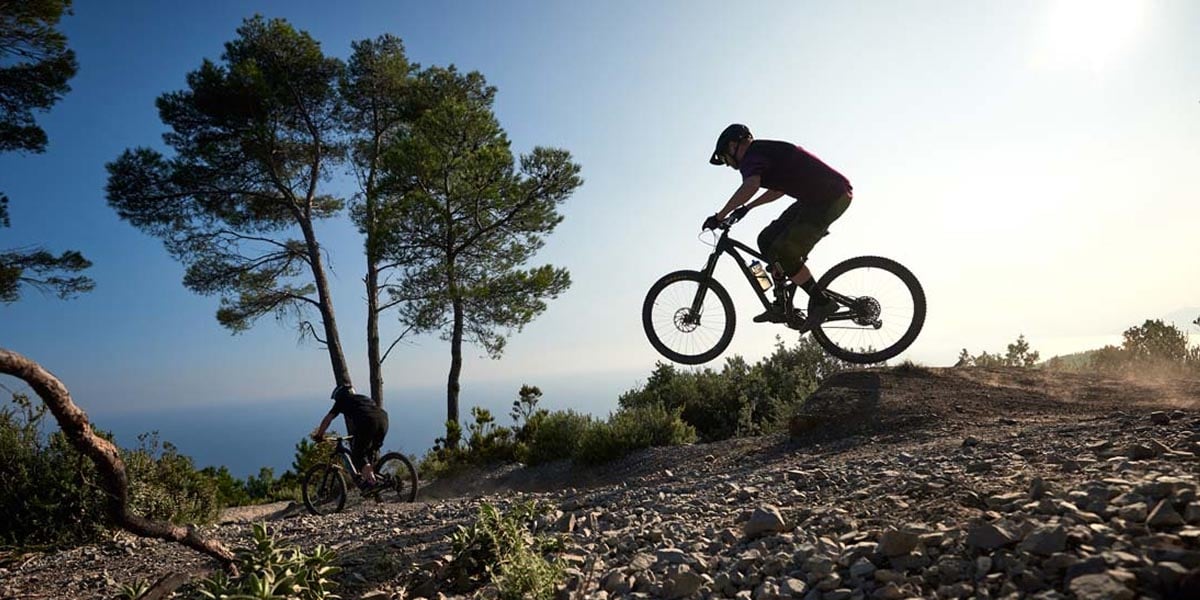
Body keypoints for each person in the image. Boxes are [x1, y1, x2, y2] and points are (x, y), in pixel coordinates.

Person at [704, 123, 852, 331]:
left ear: (732, 146)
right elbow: (777, 190)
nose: (728, 165)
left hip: (829, 197)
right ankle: (780, 303)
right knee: (765, 240)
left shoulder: (752, 155)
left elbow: (750, 185)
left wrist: (720, 216)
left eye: (725, 158)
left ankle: (823, 303)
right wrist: (747, 208)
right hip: (814, 198)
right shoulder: (764, 152)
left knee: (786, 255)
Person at [311, 384, 389, 488]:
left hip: (368, 422)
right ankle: (378, 480)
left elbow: (328, 419)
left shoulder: (342, 401)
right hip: (383, 420)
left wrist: (319, 435)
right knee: (369, 452)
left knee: (358, 456)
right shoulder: (363, 398)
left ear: (340, 396)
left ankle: (372, 483)